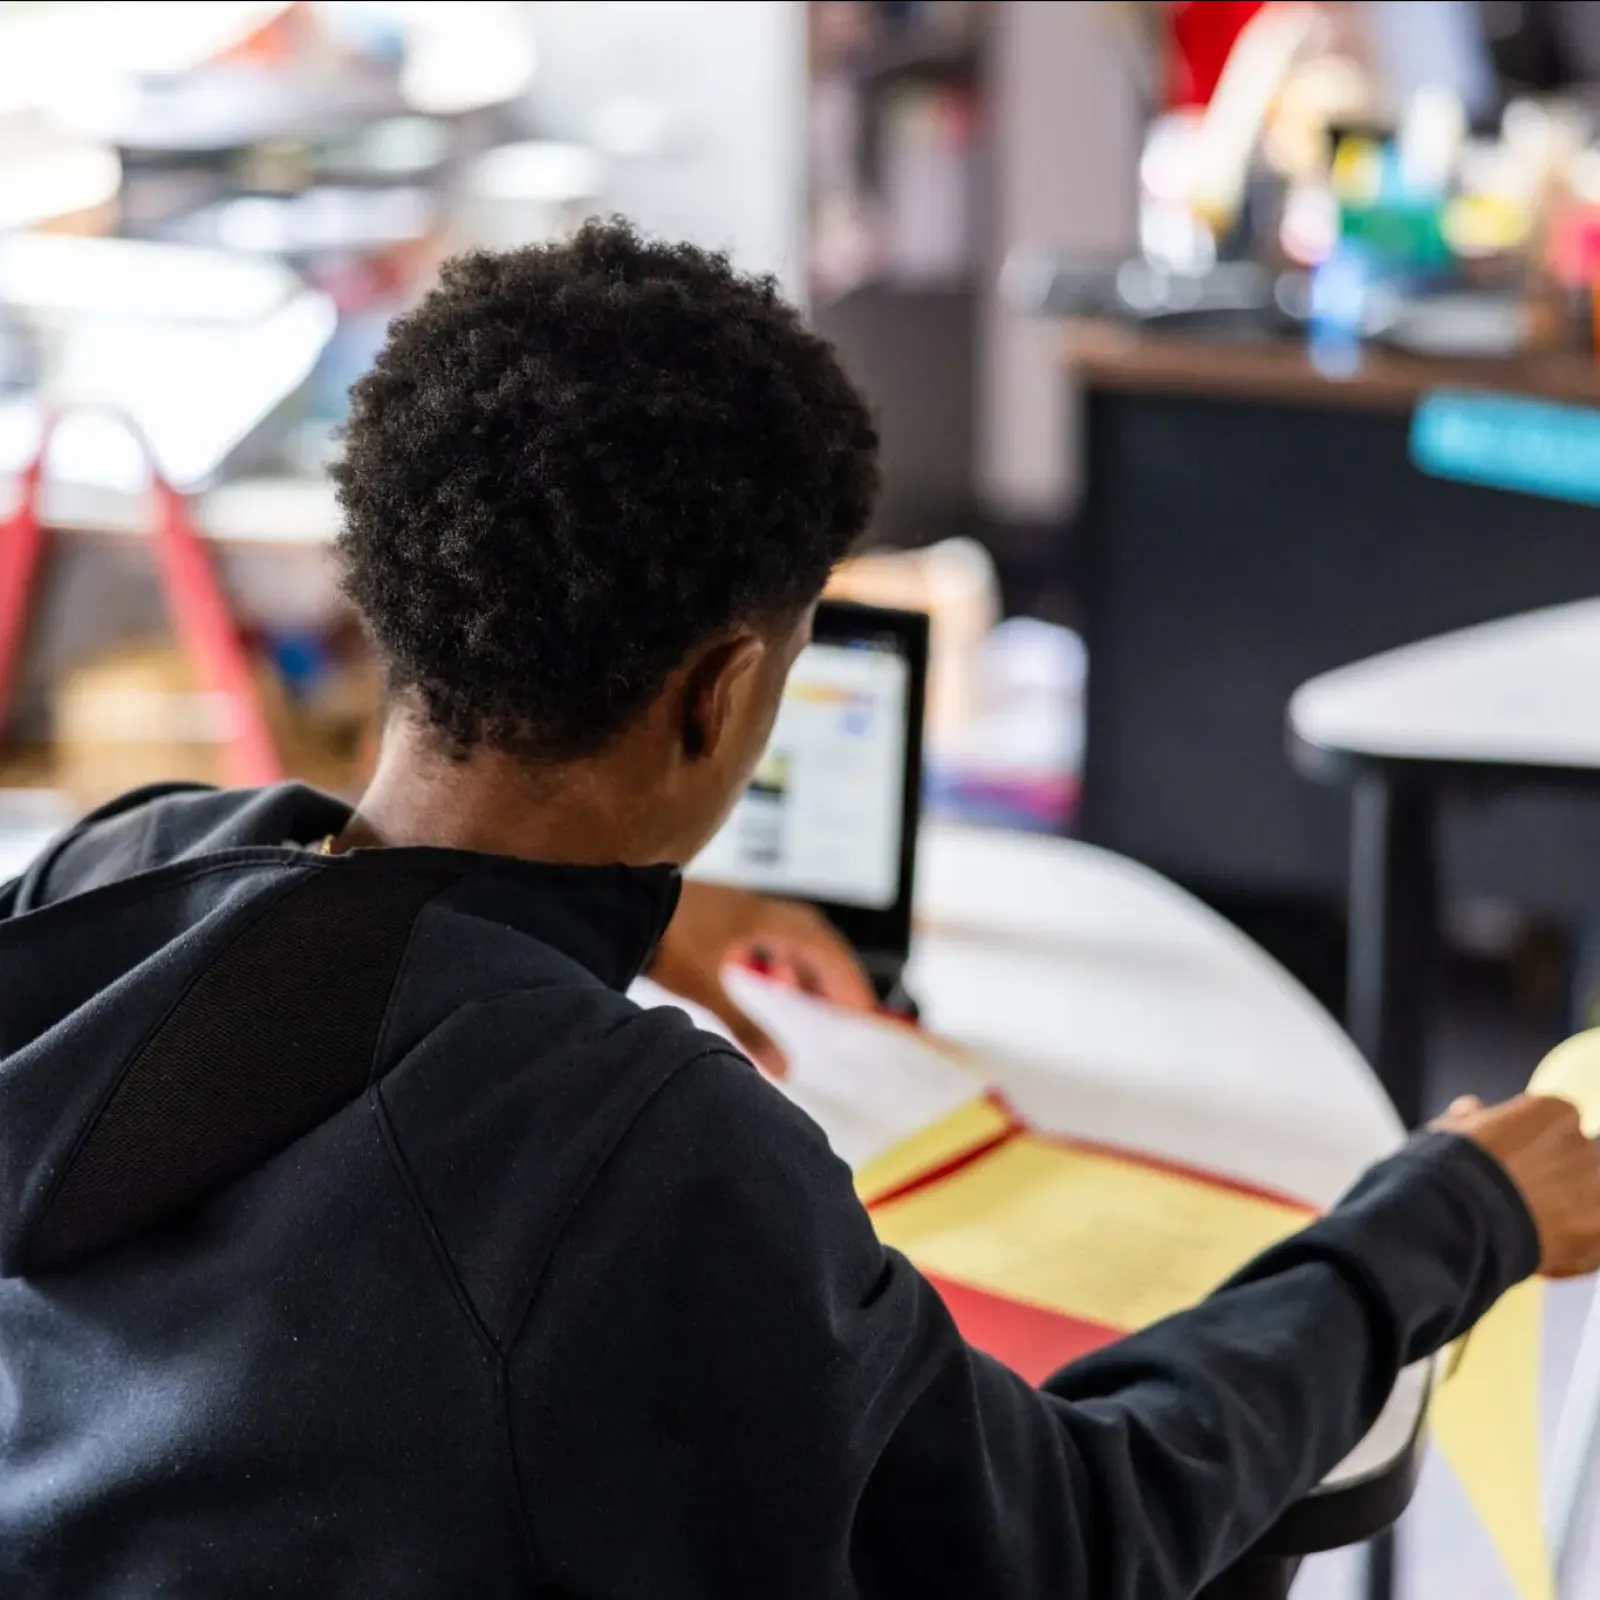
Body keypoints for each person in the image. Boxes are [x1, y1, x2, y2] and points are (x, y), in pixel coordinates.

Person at [0, 220, 1595, 1599]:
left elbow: (335, 967)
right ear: (727, 693)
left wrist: (584, 917)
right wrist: (1448, 1215)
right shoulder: (636, 1149)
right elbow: (1074, 1534)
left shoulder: (117, 883)